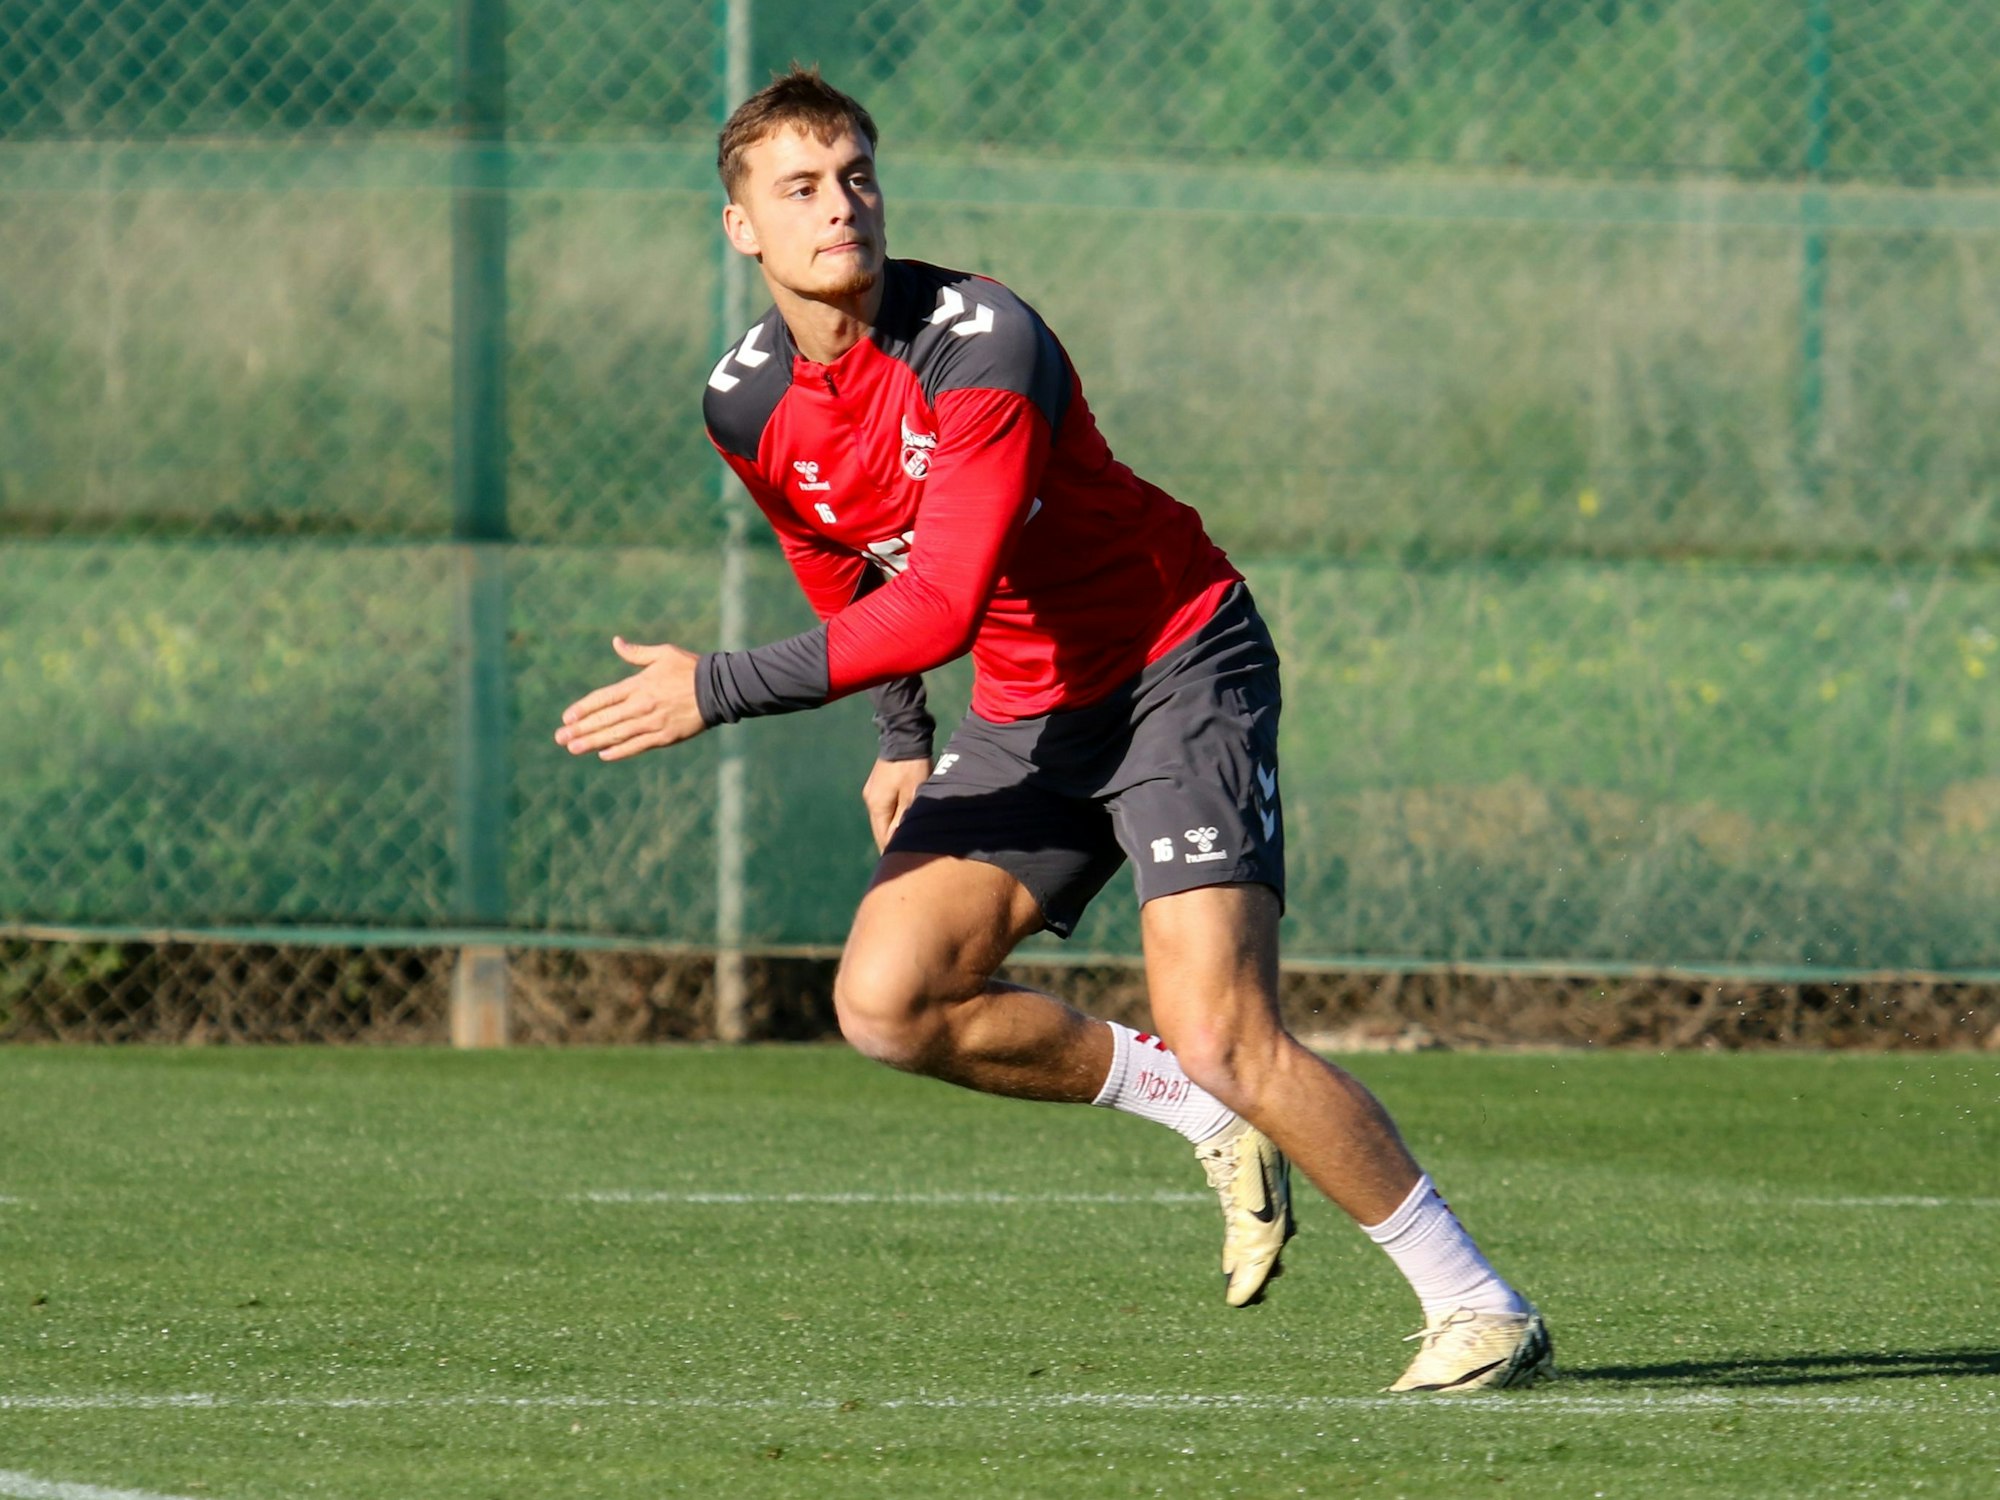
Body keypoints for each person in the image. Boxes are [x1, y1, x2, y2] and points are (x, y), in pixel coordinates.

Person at [556, 67, 1551, 1392]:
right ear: (743, 227)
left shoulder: (980, 341)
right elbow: (831, 552)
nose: (839, 208)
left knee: (1226, 1027)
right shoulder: (745, 399)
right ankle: (1197, 1113)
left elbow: (940, 601)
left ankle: (1477, 1302)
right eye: (800, 189)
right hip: (1032, 709)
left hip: (1172, 665)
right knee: (887, 1003)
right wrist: (899, 736)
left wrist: (720, 686)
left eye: (856, 176)